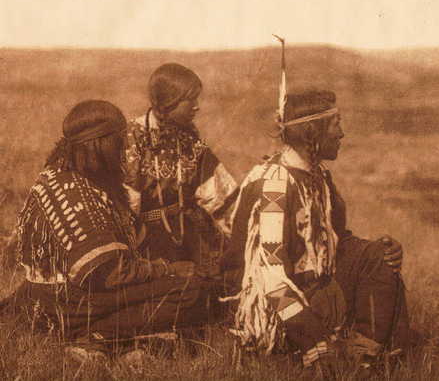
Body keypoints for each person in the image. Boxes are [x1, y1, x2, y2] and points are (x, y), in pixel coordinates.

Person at [1, 100, 213, 356]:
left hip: (43, 297)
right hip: (70, 303)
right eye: (120, 140)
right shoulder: (78, 194)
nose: (125, 147)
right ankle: (96, 337)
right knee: (191, 292)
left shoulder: (61, 175)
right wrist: (167, 269)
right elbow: (111, 274)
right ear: (99, 144)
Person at [220, 90, 411, 368]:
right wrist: (312, 336)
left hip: (311, 283)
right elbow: (269, 278)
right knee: (320, 354)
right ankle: (340, 359)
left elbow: (334, 242)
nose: (342, 134)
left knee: (379, 258)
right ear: (313, 132)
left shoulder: (316, 175)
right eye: (336, 125)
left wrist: (380, 251)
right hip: (272, 304)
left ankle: (366, 359)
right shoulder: (275, 185)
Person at [124, 63, 238, 281]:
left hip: (189, 238)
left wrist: (248, 231)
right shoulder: (133, 139)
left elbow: (221, 195)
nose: (197, 107)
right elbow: (127, 207)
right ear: (169, 103)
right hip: (145, 243)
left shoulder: (189, 139)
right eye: (191, 100)